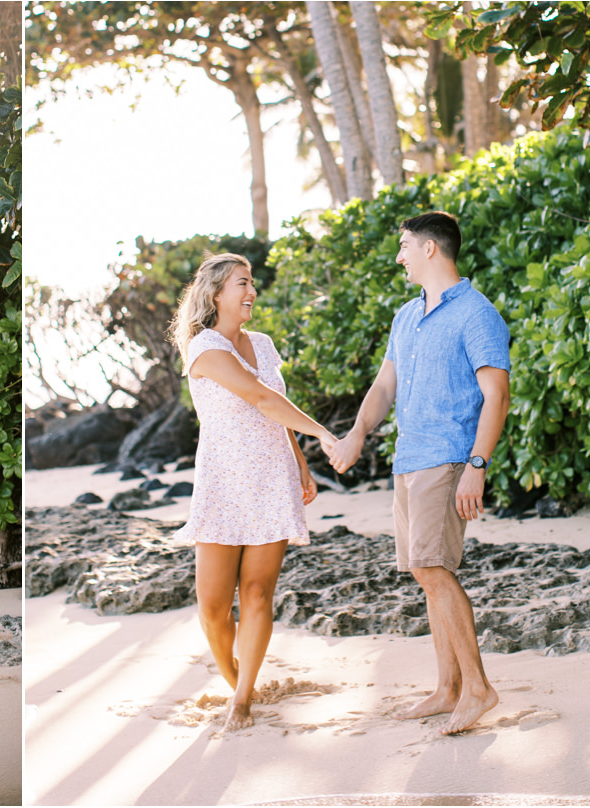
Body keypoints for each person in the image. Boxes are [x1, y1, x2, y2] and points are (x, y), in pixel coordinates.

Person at [327, 211, 510, 735]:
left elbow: (496, 395)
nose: (401, 255)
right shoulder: (407, 315)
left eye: (405, 245)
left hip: (449, 458)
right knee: (426, 574)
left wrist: (477, 465)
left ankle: (477, 688)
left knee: (434, 569)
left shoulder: (476, 314)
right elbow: (385, 385)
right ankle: (448, 688)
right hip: (408, 460)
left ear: (432, 248)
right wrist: (359, 433)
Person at [169, 252, 337, 731]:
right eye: (242, 283)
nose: (251, 292)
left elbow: (275, 411)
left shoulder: (263, 344)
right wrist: (324, 434)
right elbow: (260, 397)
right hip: (223, 485)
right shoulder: (204, 348)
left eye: (252, 283)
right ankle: (236, 677)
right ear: (216, 293)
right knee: (214, 610)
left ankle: (242, 700)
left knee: (260, 592)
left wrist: (301, 464)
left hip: (271, 480)